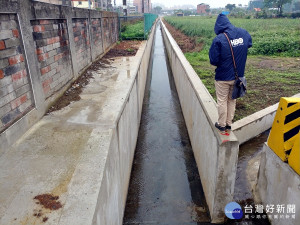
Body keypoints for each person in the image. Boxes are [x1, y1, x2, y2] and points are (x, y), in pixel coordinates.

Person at [209, 14, 252, 132]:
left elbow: (213, 60)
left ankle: (221, 124)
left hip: (223, 77)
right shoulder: (243, 33)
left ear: (218, 26)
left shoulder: (219, 39)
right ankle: (229, 124)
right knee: (232, 99)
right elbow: (248, 45)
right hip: (238, 77)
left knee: (222, 100)